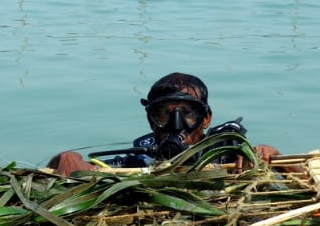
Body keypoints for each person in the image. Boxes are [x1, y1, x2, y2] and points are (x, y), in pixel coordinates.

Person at [47, 72, 280, 175]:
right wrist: (65, 157)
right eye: (163, 115)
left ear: (206, 118)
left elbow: (298, 175)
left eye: (188, 114)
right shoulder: (137, 164)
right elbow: (71, 170)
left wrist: (272, 154)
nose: (176, 124)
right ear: (151, 121)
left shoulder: (229, 157)